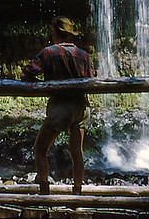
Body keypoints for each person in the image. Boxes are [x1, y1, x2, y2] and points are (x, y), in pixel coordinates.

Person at [21, 16, 94, 195]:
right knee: (76, 153)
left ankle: (44, 191)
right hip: (81, 107)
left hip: (60, 106)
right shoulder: (83, 55)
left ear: (55, 32)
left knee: (40, 149)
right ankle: (77, 192)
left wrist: (40, 84)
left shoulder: (49, 52)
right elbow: (92, 79)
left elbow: (28, 73)